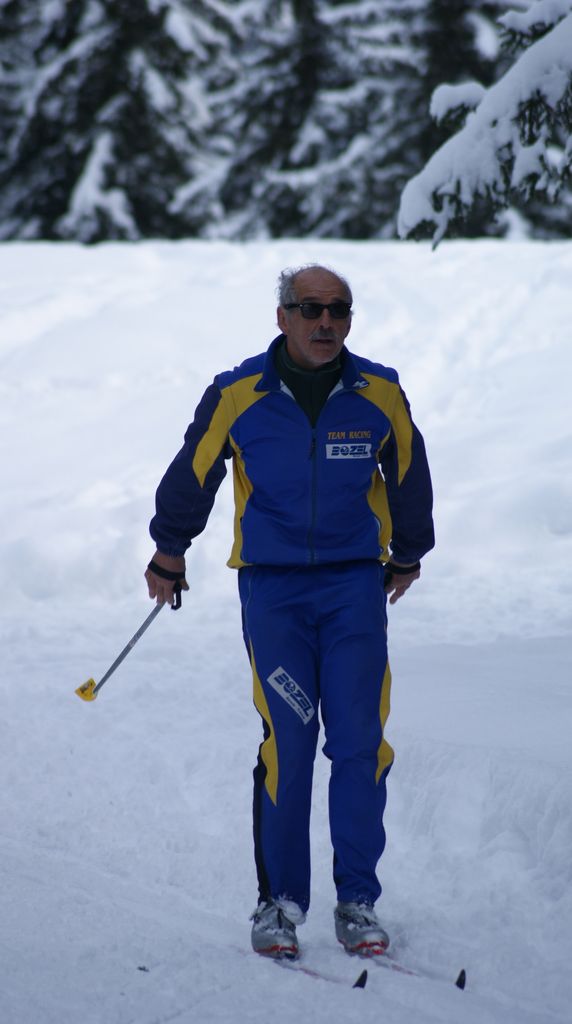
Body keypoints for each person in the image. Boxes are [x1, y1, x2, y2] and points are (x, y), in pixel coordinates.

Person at [145, 264, 434, 961]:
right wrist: (169, 550)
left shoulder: (379, 393)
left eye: (339, 309)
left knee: (360, 741)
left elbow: (408, 473)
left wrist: (408, 551)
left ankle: (357, 899)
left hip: (353, 589)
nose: (325, 322)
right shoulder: (237, 393)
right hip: (274, 593)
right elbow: (195, 470)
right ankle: (279, 903)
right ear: (282, 316)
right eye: (310, 308)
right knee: (290, 742)